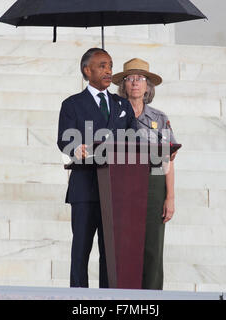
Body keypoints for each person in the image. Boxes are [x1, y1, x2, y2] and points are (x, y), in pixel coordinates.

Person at [57, 48, 137, 288]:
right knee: (81, 247)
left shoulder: (122, 104)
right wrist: (76, 148)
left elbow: (133, 139)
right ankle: (77, 296)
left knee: (110, 251)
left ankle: (109, 296)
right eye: (102, 65)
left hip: (115, 189)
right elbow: (64, 138)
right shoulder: (72, 104)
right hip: (85, 189)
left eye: (110, 65)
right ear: (87, 70)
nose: (108, 70)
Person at [112, 58, 178, 290]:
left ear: (148, 86)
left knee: (152, 245)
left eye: (140, 79)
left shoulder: (159, 118)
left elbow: (168, 158)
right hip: (123, 182)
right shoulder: (113, 114)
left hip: (154, 182)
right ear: (124, 85)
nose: (135, 83)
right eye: (130, 79)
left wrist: (170, 197)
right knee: (125, 245)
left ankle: (153, 297)